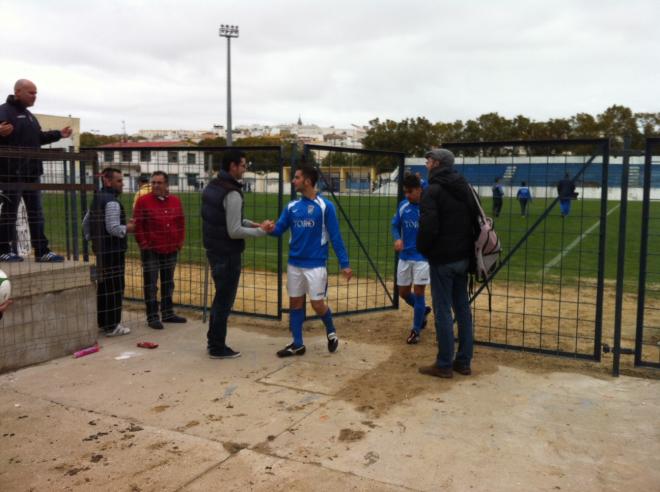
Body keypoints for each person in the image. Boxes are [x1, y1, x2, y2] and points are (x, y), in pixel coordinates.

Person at [266, 165, 352, 357]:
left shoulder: (325, 207)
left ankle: (331, 331)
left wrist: (344, 263)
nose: (293, 181)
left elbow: (335, 237)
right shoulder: (291, 207)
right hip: (294, 264)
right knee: (295, 303)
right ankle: (297, 344)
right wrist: (270, 229)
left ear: (307, 181)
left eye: (296, 177)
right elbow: (279, 230)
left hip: (316, 265)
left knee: (317, 304)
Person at [201, 149, 271, 359]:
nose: (245, 168)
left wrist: (252, 223)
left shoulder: (212, 186)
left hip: (214, 250)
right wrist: (260, 231)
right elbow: (234, 230)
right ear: (232, 166)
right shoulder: (232, 192)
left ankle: (213, 341)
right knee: (223, 301)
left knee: (219, 298)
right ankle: (216, 347)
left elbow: (229, 219)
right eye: (243, 165)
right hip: (227, 253)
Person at [417, 149, 478, 378]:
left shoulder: (432, 191)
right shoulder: (465, 187)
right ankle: (463, 361)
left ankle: (444, 364)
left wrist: (424, 249)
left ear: (437, 163)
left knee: (442, 310)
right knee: (462, 308)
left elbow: (428, 227)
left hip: (442, 259)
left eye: (429, 160)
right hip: (464, 257)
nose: (426, 163)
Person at [0, 79, 71, 262]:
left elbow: (38, 138)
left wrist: (58, 134)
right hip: (11, 174)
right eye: (31, 93)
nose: (35, 96)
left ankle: (42, 251)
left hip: (32, 174)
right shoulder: (3, 111)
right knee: (10, 213)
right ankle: (2, 249)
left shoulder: (30, 116)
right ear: (18, 92)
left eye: (36, 93)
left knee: (37, 213)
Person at [83, 167, 135, 337]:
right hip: (113, 252)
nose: (122, 184)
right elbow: (113, 228)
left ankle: (104, 322)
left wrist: (93, 238)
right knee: (115, 287)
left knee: (104, 286)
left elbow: (85, 223)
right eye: (119, 180)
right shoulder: (112, 201)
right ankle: (113, 325)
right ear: (107, 181)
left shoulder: (97, 197)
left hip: (101, 251)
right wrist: (129, 228)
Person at [134, 171, 186, 330]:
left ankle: (168, 313)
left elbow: (180, 222)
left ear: (166, 184)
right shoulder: (143, 201)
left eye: (159, 183)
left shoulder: (175, 201)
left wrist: (179, 242)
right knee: (151, 284)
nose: (156, 185)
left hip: (170, 248)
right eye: (153, 182)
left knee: (168, 282)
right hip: (151, 250)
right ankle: (152, 316)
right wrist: (143, 243)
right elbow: (138, 225)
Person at [391, 173, 431, 344]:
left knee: (419, 292)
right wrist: (397, 238)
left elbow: (428, 184)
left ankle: (416, 330)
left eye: (409, 192)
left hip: (422, 257)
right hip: (405, 256)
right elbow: (395, 225)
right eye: (405, 192)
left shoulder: (429, 206)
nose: (407, 195)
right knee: (404, 293)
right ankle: (423, 310)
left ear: (419, 190)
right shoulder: (403, 205)